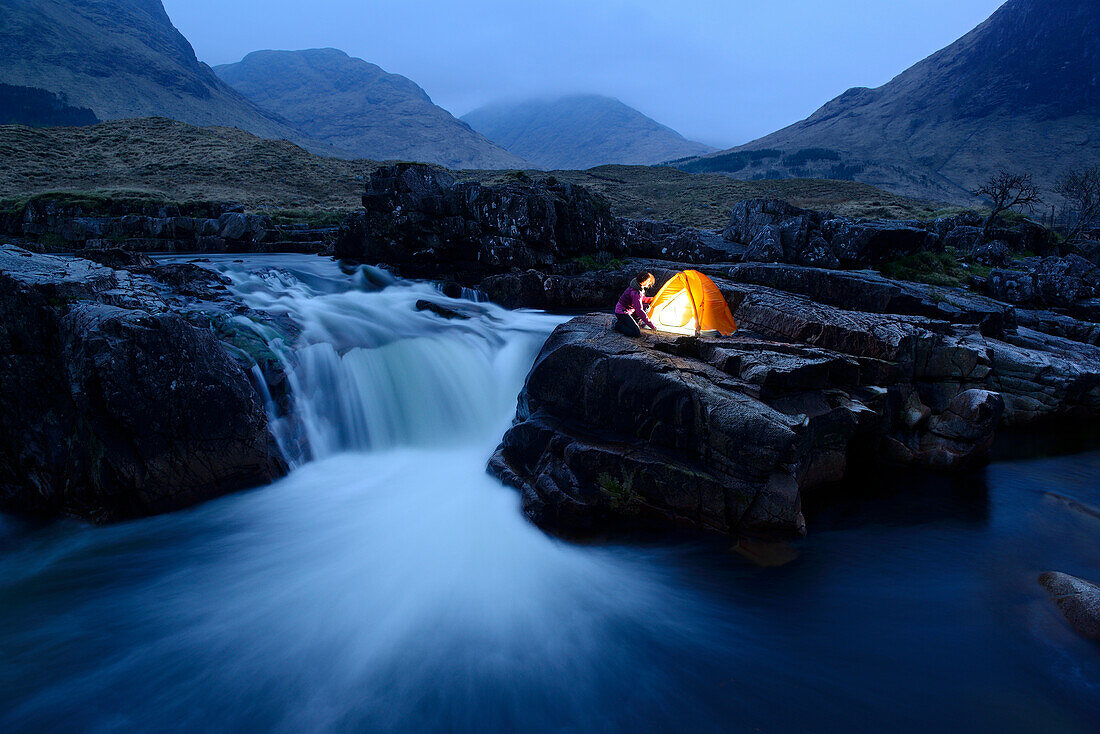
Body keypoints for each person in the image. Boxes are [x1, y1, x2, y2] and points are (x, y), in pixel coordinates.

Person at [614, 272, 656, 337]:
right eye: (648, 281)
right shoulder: (636, 293)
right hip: (622, 313)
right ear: (644, 281)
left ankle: (633, 322)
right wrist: (651, 325)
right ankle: (618, 326)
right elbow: (639, 310)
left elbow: (640, 299)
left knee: (647, 306)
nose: (649, 283)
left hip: (630, 310)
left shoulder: (637, 286)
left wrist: (650, 299)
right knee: (636, 333)